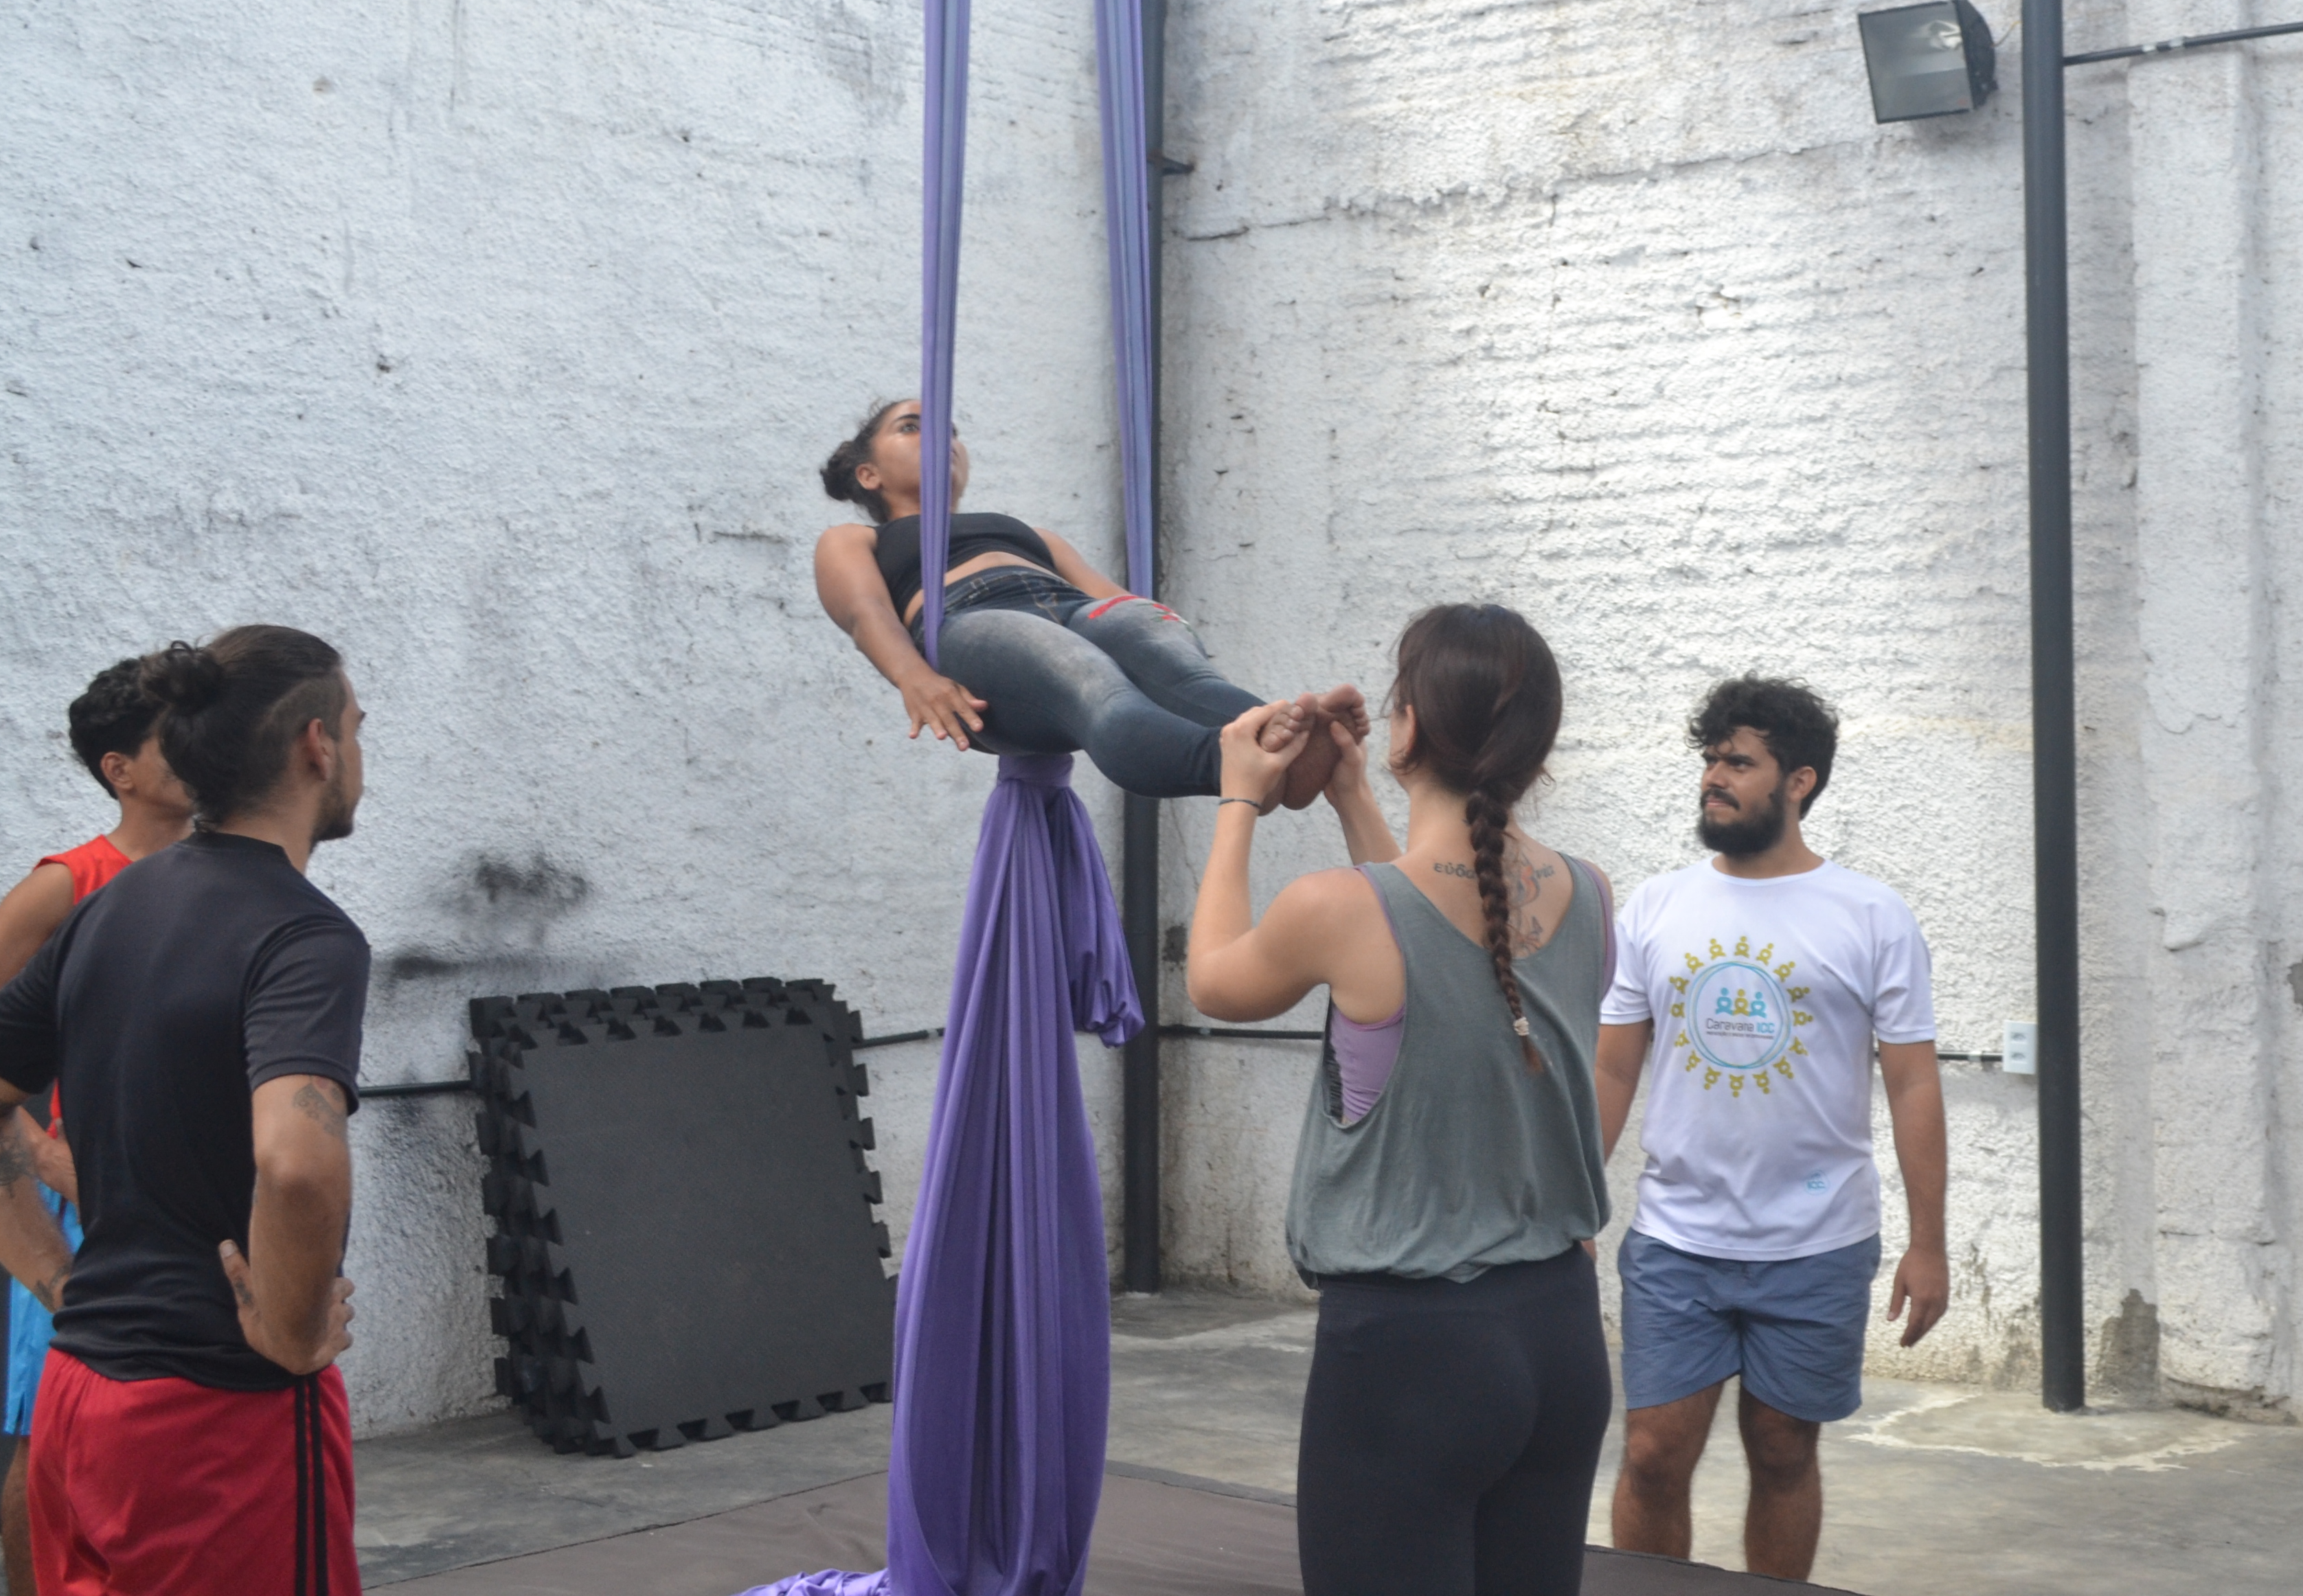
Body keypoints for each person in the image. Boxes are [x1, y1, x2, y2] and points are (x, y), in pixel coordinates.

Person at [0, 628, 371, 1596]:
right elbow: (297, 1158)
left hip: (80, 1398)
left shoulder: (109, 907)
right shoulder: (304, 935)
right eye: (357, 728)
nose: (359, 752)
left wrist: (63, 1285)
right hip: (214, 1419)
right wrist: (291, 1333)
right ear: (317, 746)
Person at [1184, 603, 1614, 1596]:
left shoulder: (1334, 910)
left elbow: (1213, 980)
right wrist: (1347, 794)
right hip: (1559, 1337)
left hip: (1413, 1356)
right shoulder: (1589, 893)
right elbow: (1426, 925)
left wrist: (1239, 796)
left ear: (1409, 727)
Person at [1596, 676, 1947, 1583]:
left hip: (1818, 1240)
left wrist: (1929, 1244)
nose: (1714, 777)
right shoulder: (1656, 908)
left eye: (1738, 763)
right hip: (1677, 1238)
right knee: (1652, 1454)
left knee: (1785, 1451)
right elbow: (1614, 1069)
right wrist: (1570, 1202)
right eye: (1711, 760)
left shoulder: (1871, 914)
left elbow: (1913, 1083)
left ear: (1799, 781)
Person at [0, 658, 191, 1596]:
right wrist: (36, 1151)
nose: (201, 751)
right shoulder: (71, 881)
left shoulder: (224, 872)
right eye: (174, 740)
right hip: (87, 1205)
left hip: (191, 1198)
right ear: (121, 770)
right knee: (50, 1435)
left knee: (174, 1423)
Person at [812, 398, 1351, 800]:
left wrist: (1160, 625)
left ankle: (1289, 747)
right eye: (911, 426)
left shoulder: (1030, 534)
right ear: (868, 474)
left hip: (1071, 607)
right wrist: (915, 678)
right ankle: (1229, 763)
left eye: (950, 430)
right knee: (1094, 683)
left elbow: (1109, 599)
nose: (941, 438)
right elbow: (865, 613)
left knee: (1176, 670)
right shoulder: (855, 539)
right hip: (972, 619)